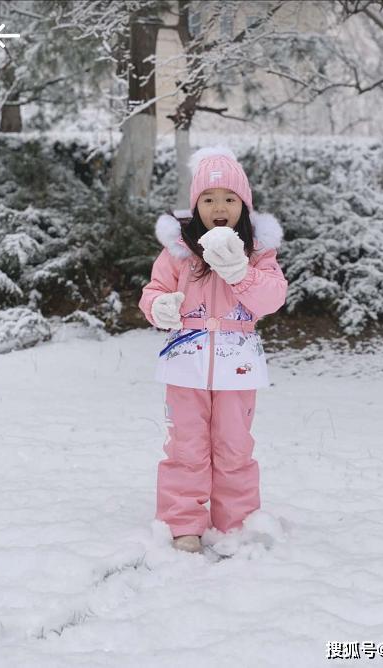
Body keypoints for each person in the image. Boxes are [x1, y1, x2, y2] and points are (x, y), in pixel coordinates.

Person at [138, 146, 288, 554]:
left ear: (243, 204)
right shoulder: (179, 254)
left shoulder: (258, 253)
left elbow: (272, 298)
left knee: (235, 444)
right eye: (208, 199)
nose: (219, 206)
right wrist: (159, 306)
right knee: (185, 445)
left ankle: (236, 523)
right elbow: (153, 291)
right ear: (196, 205)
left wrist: (242, 273)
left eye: (228, 198)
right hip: (186, 365)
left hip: (237, 366)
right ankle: (182, 520)